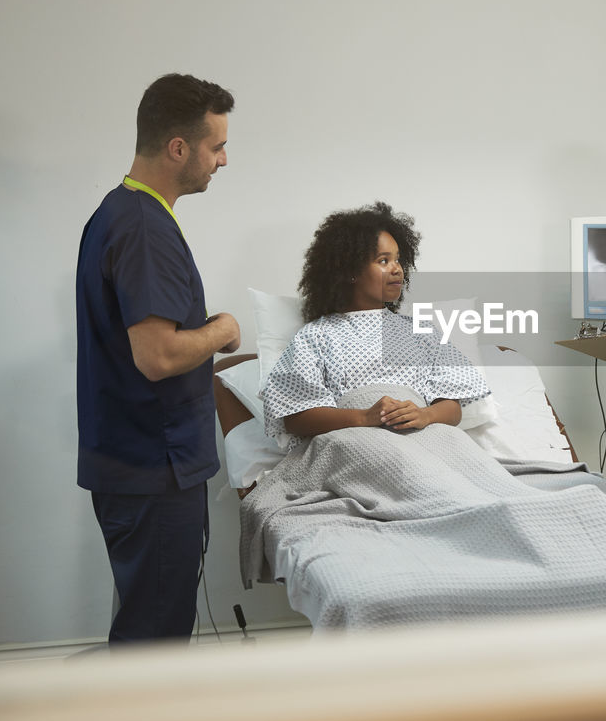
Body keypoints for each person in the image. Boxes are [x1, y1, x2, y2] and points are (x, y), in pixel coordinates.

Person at [75, 73, 241, 644]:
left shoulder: (119, 211)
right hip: (154, 469)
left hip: (134, 463)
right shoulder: (145, 228)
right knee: (155, 637)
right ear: (178, 148)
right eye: (216, 146)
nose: (223, 160)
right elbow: (157, 355)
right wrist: (221, 330)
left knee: (145, 620)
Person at [263, 203, 489, 451]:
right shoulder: (316, 336)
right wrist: (365, 418)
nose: (397, 269)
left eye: (398, 260)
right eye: (383, 260)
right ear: (351, 271)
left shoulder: (423, 332)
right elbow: (296, 418)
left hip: (424, 442)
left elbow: (452, 408)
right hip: (354, 446)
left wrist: (425, 415)